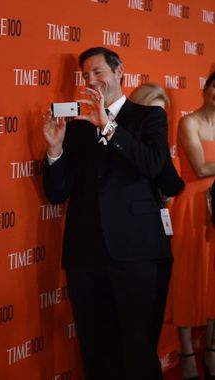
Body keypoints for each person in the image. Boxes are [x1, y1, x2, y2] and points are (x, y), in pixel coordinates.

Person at [43, 47, 174, 380]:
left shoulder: (149, 117)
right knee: (95, 350)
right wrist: (55, 149)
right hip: (85, 255)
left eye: (98, 72)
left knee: (137, 348)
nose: (91, 81)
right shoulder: (77, 127)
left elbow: (152, 164)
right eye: (85, 76)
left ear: (119, 72)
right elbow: (58, 192)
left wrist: (109, 127)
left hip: (136, 253)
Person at [171, 72, 215, 380]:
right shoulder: (189, 123)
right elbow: (200, 168)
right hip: (191, 207)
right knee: (187, 278)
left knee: (213, 277)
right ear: (205, 90)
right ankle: (186, 352)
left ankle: (211, 349)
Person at [129, 83, 185, 200]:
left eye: (161, 115)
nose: (156, 121)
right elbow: (172, 185)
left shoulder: (158, 142)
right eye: (152, 114)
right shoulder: (121, 138)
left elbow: (171, 186)